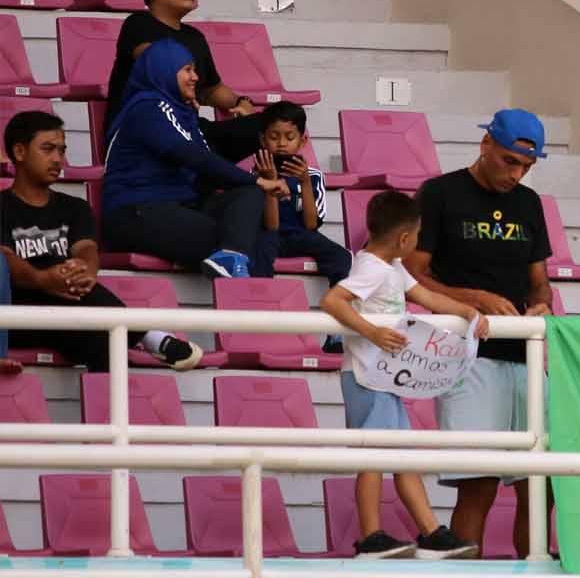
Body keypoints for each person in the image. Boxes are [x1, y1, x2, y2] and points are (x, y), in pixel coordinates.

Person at [404, 108, 554, 558]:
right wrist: (472, 299)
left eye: (527, 166)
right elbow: (413, 276)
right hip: (468, 356)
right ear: (485, 144)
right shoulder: (440, 194)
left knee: (541, 484)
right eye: (510, 161)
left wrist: (543, 301)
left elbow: (540, 279)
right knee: (479, 483)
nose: (518, 173)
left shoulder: (529, 204)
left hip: (523, 356)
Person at [320, 190, 486, 559]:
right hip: (365, 376)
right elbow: (332, 301)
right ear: (404, 239)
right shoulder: (369, 268)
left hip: (386, 378)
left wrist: (468, 313)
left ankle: (431, 531)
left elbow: (426, 298)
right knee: (374, 454)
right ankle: (370, 536)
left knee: (402, 454)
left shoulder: (392, 268)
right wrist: (373, 332)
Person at [0, 111, 203, 372]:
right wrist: (43, 279)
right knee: (58, 275)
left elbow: (86, 249)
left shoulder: (75, 207)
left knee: (109, 344)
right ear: (19, 152)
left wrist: (84, 273)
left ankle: (115, 410)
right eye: (47, 149)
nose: (57, 159)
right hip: (18, 314)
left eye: (61, 151)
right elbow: (5, 257)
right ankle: (147, 335)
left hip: (69, 308)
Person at [99, 39, 287, 279]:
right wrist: (258, 181)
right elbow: (191, 156)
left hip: (177, 207)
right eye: (187, 69)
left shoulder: (179, 111)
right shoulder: (147, 107)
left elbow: (206, 165)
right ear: (163, 69)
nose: (196, 77)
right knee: (233, 233)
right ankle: (254, 301)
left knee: (248, 198)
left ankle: (252, 292)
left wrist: (255, 185)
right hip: (135, 212)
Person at [107, 0, 263, 163]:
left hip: (191, 132)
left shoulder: (194, 36)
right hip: (147, 132)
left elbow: (211, 89)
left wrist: (241, 101)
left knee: (274, 125)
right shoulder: (138, 25)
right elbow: (160, 68)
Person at [251, 101, 352, 286]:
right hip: (270, 237)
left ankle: (338, 298)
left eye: (289, 137)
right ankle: (262, 299)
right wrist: (271, 181)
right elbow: (271, 226)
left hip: (302, 236)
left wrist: (304, 182)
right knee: (259, 250)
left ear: (302, 140)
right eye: (274, 137)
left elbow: (311, 225)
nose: (281, 143)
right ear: (263, 139)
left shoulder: (313, 176)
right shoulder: (257, 175)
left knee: (341, 255)